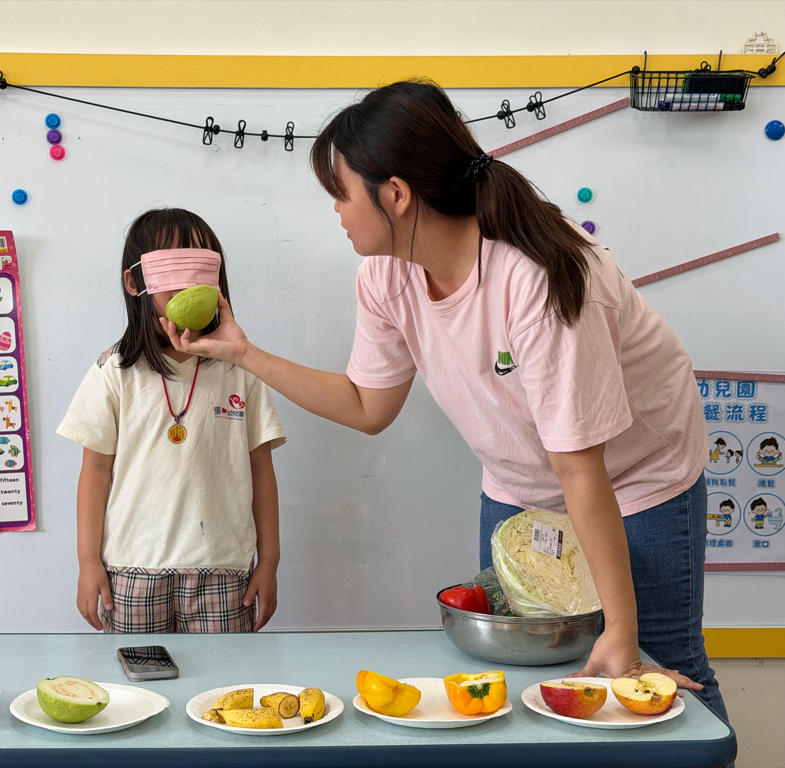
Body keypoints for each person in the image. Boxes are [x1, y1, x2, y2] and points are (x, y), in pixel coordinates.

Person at [162, 80, 727, 719]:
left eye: (341, 193)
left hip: (636, 479)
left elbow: (579, 465)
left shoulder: (537, 277)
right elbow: (367, 406)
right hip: (522, 484)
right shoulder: (386, 275)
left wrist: (622, 631)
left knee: (657, 664)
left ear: (396, 195)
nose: (337, 211)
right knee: (524, 673)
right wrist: (242, 353)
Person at [58, 207, 286, 633]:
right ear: (134, 282)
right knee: (139, 677)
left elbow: (261, 470)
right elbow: (95, 471)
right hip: (132, 568)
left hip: (223, 568)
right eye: (172, 265)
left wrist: (269, 562)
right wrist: (88, 562)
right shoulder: (113, 372)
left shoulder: (241, 370)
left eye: (201, 266)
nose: (189, 282)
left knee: (224, 677)